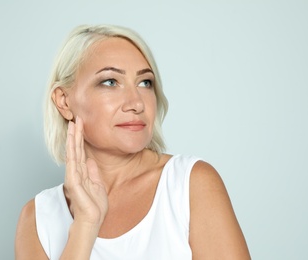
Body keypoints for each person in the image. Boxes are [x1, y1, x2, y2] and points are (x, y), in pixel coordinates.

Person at [15, 24, 251, 260]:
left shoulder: (191, 186)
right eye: (110, 82)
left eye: (145, 83)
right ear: (64, 101)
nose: (136, 103)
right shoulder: (37, 219)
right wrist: (85, 226)